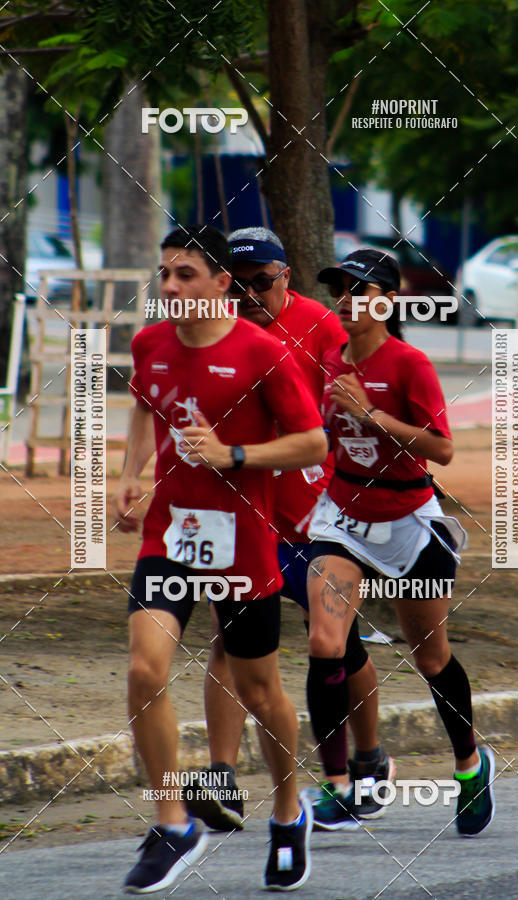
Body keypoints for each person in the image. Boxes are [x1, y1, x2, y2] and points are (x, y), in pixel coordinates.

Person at [114, 224, 328, 892]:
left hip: (242, 538)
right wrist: (131, 474)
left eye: (185, 274)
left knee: (260, 690)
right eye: (165, 274)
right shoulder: (150, 343)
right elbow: (145, 407)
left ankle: (288, 813)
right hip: (171, 534)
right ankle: (173, 824)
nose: (171, 286)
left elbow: (312, 443)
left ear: (220, 283)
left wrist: (234, 455)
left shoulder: (262, 352)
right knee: (144, 669)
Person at [192, 226, 394, 835]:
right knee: (228, 641)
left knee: (336, 640)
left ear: (285, 276)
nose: (250, 295)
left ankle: (368, 760)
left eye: (262, 281)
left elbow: (357, 406)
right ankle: (221, 777)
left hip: (317, 513)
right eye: (238, 285)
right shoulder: (214, 329)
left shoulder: (322, 326)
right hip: (246, 509)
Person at [302, 248, 495, 835]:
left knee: (430, 657)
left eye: (358, 290)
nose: (346, 300)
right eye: (339, 289)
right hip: (343, 518)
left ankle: (470, 764)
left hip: (410, 522)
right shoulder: (328, 360)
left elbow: (443, 450)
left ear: (388, 300)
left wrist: (373, 415)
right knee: (325, 640)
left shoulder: (410, 364)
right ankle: (341, 784)